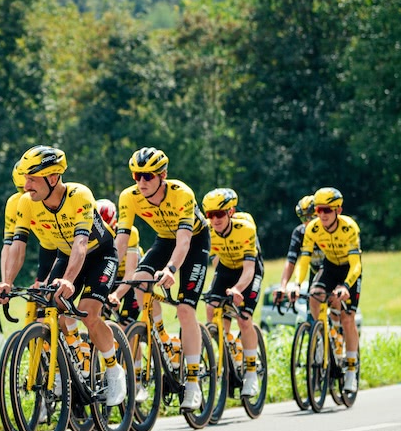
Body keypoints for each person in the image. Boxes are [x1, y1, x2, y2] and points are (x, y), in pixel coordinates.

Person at [0, 145, 126, 406]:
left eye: (32, 178)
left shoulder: (80, 195)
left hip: (99, 255)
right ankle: (76, 353)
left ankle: (113, 369)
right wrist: (7, 280)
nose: (26, 184)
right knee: (52, 306)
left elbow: (81, 244)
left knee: (89, 311)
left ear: (52, 178)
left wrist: (68, 279)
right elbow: (17, 246)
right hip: (65, 256)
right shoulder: (26, 203)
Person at [108, 148, 212, 410]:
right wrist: (107, 273)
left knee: (186, 310)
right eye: (136, 175)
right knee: (139, 282)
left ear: (163, 176)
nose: (141, 182)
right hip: (164, 240)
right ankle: (161, 336)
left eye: (148, 176)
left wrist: (171, 269)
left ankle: (192, 382)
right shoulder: (129, 197)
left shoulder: (181, 193)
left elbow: (185, 240)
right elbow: (121, 241)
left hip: (193, 242)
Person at [289, 186, 362, 392]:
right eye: (319, 210)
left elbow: (356, 264)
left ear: (338, 210)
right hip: (329, 267)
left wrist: (346, 286)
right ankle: (320, 334)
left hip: (349, 270)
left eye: (327, 210)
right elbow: (304, 259)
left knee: (348, 318)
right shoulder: (313, 228)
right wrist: (296, 283)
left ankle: (350, 369)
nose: (321, 215)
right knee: (314, 294)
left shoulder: (349, 227)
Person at [201, 187, 264, 400]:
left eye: (219, 214)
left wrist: (237, 289)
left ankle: (251, 371)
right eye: (210, 215)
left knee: (244, 319)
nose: (215, 219)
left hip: (249, 270)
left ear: (231, 212)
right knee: (212, 309)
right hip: (226, 269)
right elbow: (213, 261)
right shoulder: (208, 230)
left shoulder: (245, 228)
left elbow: (249, 269)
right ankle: (227, 357)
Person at [97, 198, 141, 324]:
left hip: (131, 278)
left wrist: (117, 294)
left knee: (125, 325)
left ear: (115, 223)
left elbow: (130, 272)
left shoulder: (130, 233)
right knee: (99, 320)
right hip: (112, 276)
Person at [274, 194, 319, 311]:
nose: (307, 222)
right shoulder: (300, 232)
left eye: (311, 218)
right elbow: (291, 261)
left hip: (337, 272)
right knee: (312, 316)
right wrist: (283, 286)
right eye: (303, 218)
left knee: (343, 317)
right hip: (315, 274)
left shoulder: (328, 231)